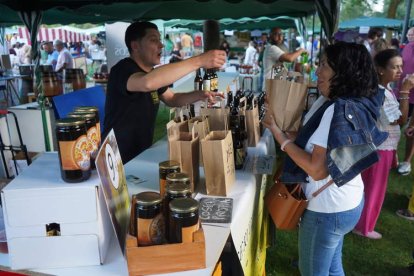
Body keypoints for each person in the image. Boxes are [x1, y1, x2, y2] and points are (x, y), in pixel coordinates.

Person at [262, 42, 387, 275]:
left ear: (343, 71)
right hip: (348, 202)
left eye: (324, 66)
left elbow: (317, 169)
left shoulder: (334, 109)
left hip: (327, 210)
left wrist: (277, 134)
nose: (317, 72)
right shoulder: (354, 102)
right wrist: (290, 136)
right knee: (332, 266)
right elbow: (323, 144)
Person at [103, 21, 226, 164]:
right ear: (135, 46)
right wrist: (199, 61)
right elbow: (146, 83)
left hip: (141, 153)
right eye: (153, 40)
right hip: (117, 157)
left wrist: (201, 94)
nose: (161, 45)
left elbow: (172, 98)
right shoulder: (122, 70)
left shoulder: (151, 73)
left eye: (159, 40)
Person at [353, 49, 414, 239]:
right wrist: (405, 90)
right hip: (380, 147)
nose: (399, 70)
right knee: (374, 189)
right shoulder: (381, 92)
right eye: (394, 67)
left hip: (379, 145)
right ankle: (364, 227)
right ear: (380, 69)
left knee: (369, 186)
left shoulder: (382, 89)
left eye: (400, 66)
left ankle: (360, 223)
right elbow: (399, 119)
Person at [397, 27, 414, 176]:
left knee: (412, 132)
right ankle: (391, 157)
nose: (411, 36)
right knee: (396, 125)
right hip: (402, 92)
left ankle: (407, 162)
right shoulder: (407, 47)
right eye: (410, 34)